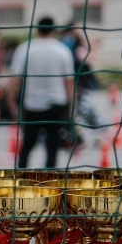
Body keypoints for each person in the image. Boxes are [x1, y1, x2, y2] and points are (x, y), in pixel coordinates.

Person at [10, 16, 75, 168]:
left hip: (32, 105)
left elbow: (15, 80)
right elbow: (69, 83)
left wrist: (11, 102)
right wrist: (72, 107)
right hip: (57, 104)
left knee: (27, 146)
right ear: (53, 30)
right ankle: (50, 182)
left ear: (37, 29)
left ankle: (21, 179)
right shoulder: (62, 50)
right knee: (52, 148)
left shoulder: (25, 49)